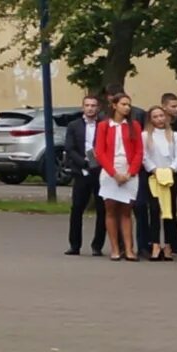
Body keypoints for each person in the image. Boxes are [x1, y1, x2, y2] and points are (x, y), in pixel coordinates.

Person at [91, 95, 141, 265]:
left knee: (127, 211)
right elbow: (100, 152)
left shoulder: (134, 126)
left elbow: (139, 152)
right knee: (111, 210)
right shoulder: (104, 126)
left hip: (128, 172)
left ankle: (128, 248)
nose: (127, 108)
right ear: (114, 105)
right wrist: (114, 173)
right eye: (123, 104)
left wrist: (130, 172)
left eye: (129, 105)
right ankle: (114, 248)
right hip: (110, 172)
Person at [61, 93, 106, 256]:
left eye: (93, 105)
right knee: (77, 208)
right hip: (81, 171)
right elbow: (70, 148)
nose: (90, 108)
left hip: (100, 171)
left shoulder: (104, 125)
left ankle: (97, 245)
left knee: (102, 209)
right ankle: (74, 245)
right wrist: (83, 163)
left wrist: (99, 163)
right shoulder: (74, 125)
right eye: (87, 105)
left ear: (98, 108)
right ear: (83, 107)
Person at [140, 103, 177, 260]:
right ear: (150, 119)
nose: (159, 119)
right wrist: (154, 170)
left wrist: (171, 170)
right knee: (154, 210)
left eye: (161, 116)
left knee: (169, 211)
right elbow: (144, 156)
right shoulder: (146, 136)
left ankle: (168, 244)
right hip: (154, 176)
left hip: (170, 177)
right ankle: (154, 244)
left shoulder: (174, 136)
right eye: (155, 117)